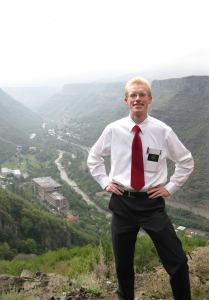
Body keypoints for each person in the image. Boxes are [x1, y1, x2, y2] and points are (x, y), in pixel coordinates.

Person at [87, 77, 194, 300]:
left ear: (150, 99)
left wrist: (171, 187)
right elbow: (94, 157)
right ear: (126, 100)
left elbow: (186, 161)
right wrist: (105, 182)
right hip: (122, 203)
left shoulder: (162, 131)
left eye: (142, 94)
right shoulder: (113, 129)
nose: (137, 98)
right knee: (123, 265)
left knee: (177, 261)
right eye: (133, 95)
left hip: (151, 203)